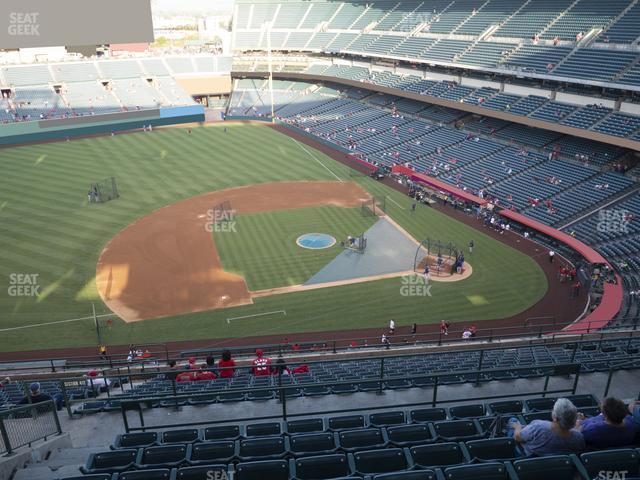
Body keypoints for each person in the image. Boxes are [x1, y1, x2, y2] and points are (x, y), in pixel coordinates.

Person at [508, 398, 585, 456]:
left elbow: (517, 437)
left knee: (513, 419)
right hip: (556, 466)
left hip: (528, 458)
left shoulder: (539, 426)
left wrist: (517, 427)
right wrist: (577, 427)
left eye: (553, 410)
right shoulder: (578, 437)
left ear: (555, 417)